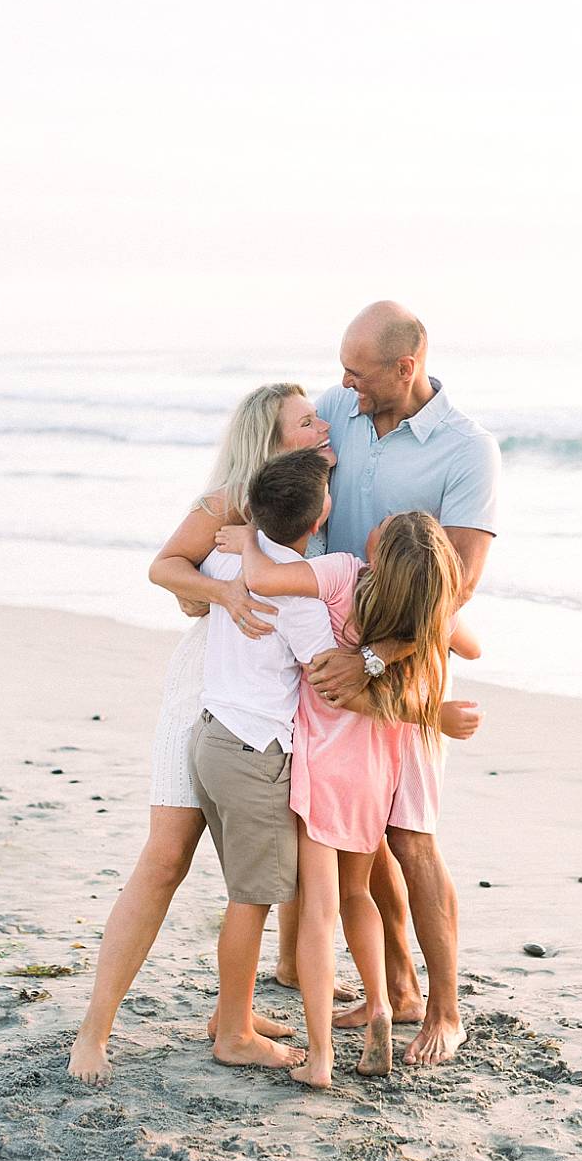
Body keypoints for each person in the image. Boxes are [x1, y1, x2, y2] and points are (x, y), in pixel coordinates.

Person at [223, 302, 501, 1067]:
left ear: (404, 368)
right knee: (360, 837)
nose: (341, 385)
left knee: (410, 838)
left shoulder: (466, 450)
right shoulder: (343, 411)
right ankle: (398, 990)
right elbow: (281, 476)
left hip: (400, 661)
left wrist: (375, 657)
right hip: (333, 656)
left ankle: (443, 1011)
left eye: (357, 371)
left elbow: (460, 589)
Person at [68, 383, 341, 1085]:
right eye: (306, 420)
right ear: (272, 437)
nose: (321, 426)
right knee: (166, 858)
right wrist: (220, 594)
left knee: (259, 865)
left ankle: (236, 1016)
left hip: (264, 701)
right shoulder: (229, 501)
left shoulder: (309, 501)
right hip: (201, 693)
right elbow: (165, 566)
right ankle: (93, 1032)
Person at [222, 509, 483, 1086]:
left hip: (322, 766)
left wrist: (248, 541)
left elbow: (266, 581)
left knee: (320, 908)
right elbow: (472, 646)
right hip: (377, 766)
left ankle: (320, 1056)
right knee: (358, 890)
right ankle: (384, 1004)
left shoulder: (344, 575)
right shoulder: (418, 609)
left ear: (379, 555)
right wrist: (424, 628)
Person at [188, 448, 335, 1070]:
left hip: (210, 738)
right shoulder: (297, 594)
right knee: (252, 896)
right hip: (253, 753)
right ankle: (234, 1038)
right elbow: (328, 672)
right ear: (320, 515)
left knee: (247, 887)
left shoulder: (226, 557)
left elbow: (191, 590)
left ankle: (235, 1011)